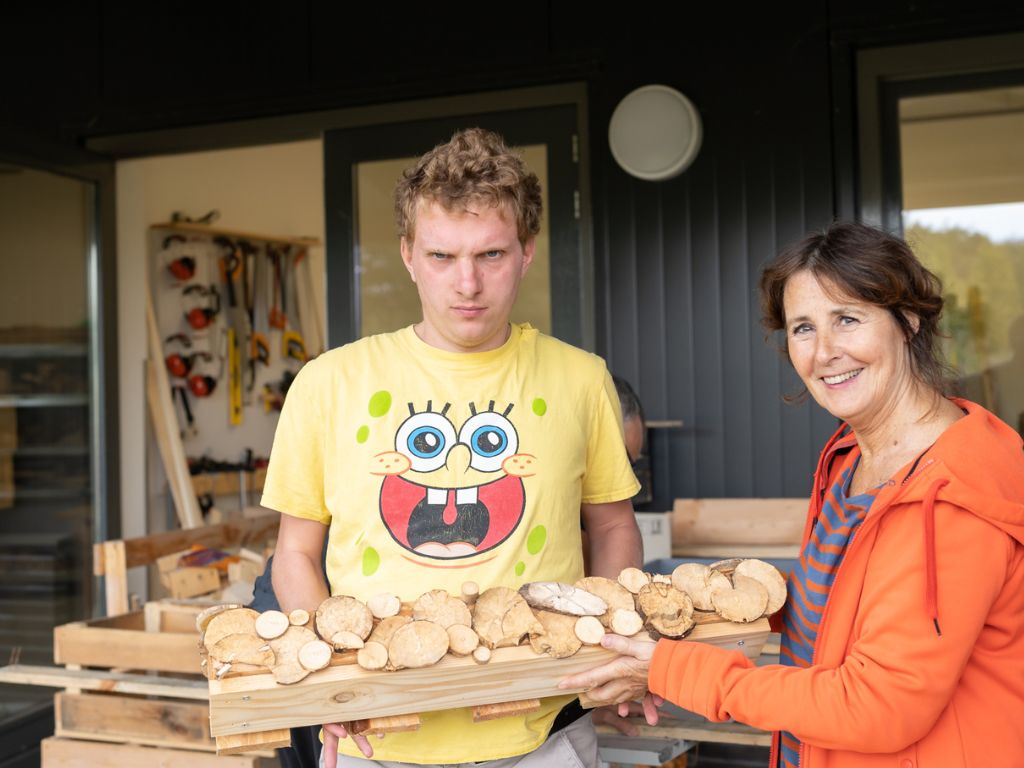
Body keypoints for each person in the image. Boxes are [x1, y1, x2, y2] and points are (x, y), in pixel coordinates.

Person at [560, 220, 1024, 767]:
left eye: (847, 319)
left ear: (908, 321)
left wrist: (671, 669)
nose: (824, 351)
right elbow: (842, 605)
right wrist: (723, 600)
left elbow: (877, 705)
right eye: (803, 328)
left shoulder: (955, 493)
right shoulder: (853, 459)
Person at [261, 127, 643, 768]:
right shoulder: (329, 381)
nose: (467, 283)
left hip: (547, 728)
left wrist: (611, 653)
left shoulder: (581, 378)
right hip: (376, 736)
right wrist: (329, 675)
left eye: (490, 255)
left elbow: (612, 527)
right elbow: (296, 553)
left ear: (527, 251)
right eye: (442, 257)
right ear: (408, 254)